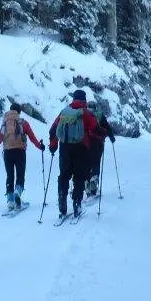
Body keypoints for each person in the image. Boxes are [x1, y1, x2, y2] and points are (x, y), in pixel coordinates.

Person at [47, 88, 102, 218]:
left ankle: (62, 197)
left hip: (64, 148)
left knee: (64, 175)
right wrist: (103, 136)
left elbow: (53, 129)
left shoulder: (64, 112)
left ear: (73, 99)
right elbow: (96, 129)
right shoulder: (87, 113)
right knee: (79, 176)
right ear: (85, 100)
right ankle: (77, 202)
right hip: (81, 148)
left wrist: (53, 145)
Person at [0, 103, 44, 209]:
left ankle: (10, 200)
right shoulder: (23, 122)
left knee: (10, 176)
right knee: (20, 175)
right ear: (19, 112)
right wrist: (40, 146)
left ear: (10, 111)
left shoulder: (5, 124)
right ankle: (17, 192)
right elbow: (32, 137)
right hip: (20, 152)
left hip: (7, 152)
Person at [85, 101, 115, 198]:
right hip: (98, 143)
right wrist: (111, 138)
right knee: (96, 163)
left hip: (85, 143)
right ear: (96, 107)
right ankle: (94, 183)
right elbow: (108, 127)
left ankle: (87, 184)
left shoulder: (83, 114)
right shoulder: (100, 115)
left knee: (87, 164)